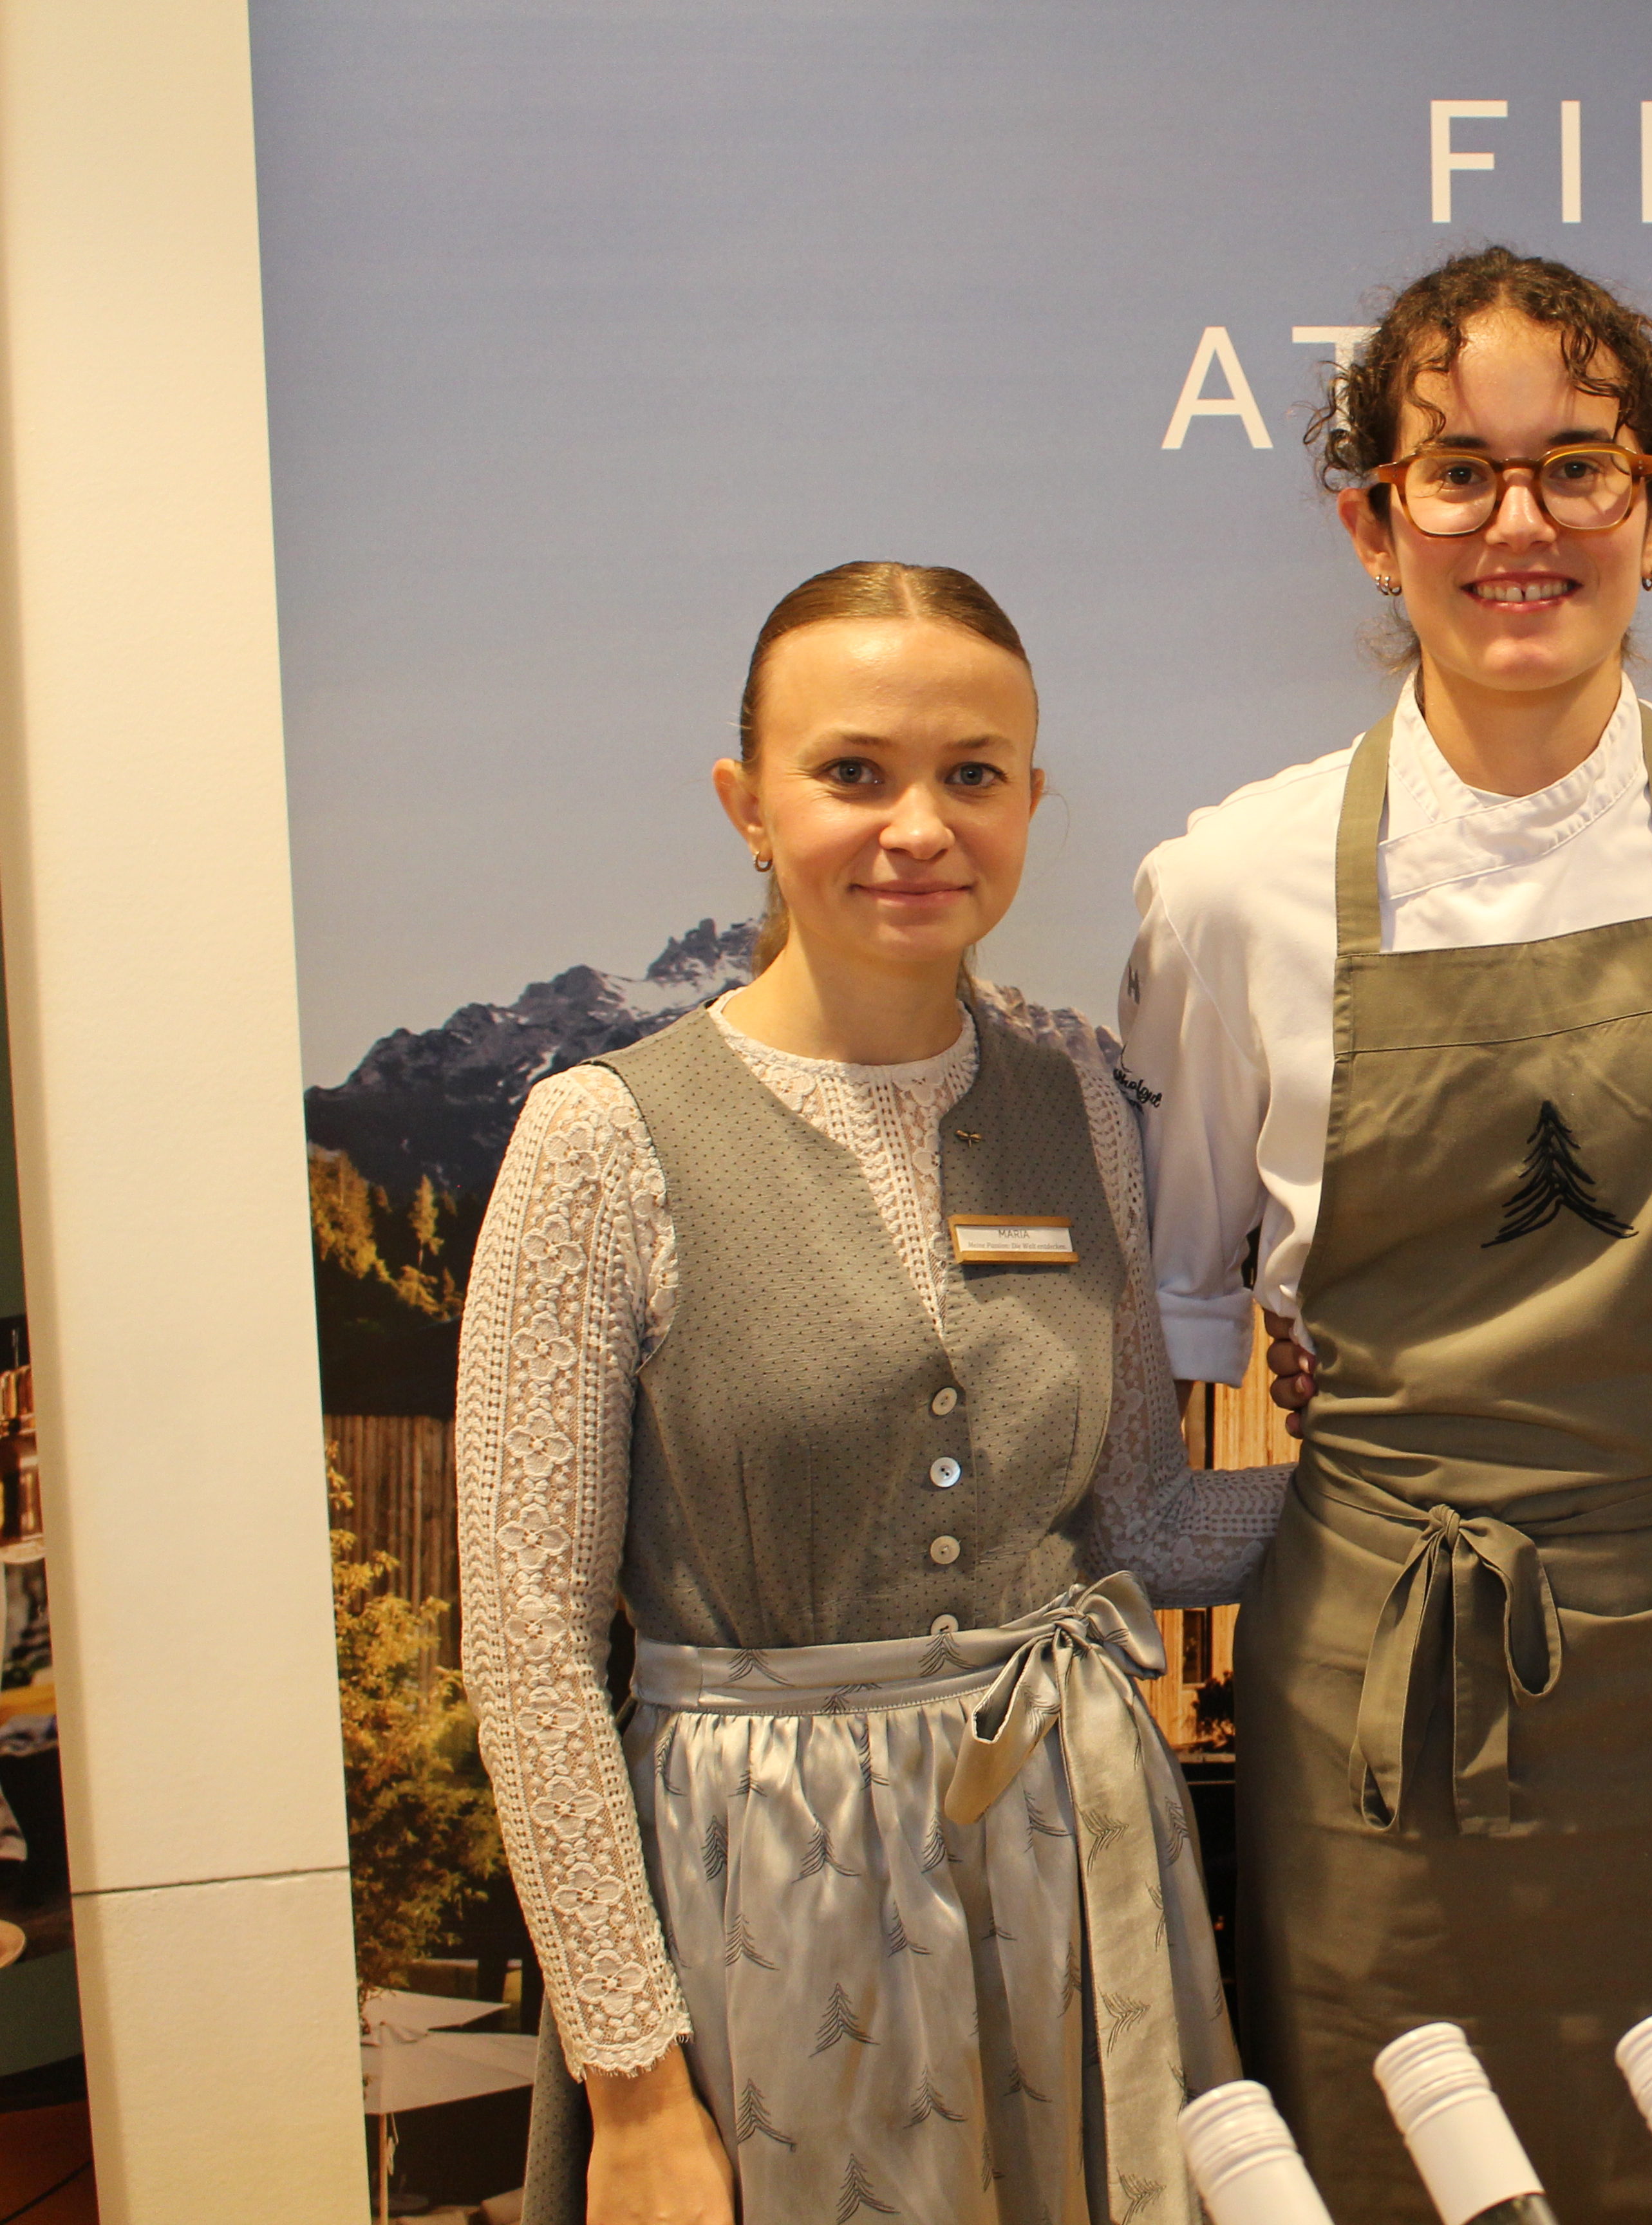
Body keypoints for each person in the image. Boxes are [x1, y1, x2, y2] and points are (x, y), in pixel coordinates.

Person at [1123, 247, 1652, 2223]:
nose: (1519, 526)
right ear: (1368, 522)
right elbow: (1182, 1332)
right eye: (1455, 474)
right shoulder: (1229, 888)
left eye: (1576, 467)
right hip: (1390, 1718)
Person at [456, 561, 1281, 2225]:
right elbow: (532, 1654)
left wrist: (1422, 1461)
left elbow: (1150, 1527)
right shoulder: (599, 1143)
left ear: (1031, 800)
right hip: (768, 1894)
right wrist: (631, 2088)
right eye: (854, 774)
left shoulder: (1089, 1119)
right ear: (746, 803)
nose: (919, 825)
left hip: (1075, 1863)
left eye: (972, 774)